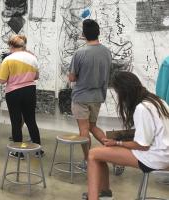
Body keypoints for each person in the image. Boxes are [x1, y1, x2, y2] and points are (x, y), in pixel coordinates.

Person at [85, 71, 169, 200]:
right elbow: (151, 132)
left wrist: (118, 143)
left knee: (93, 154)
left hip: (154, 158)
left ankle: (94, 197)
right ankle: (104, 192)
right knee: (100, 153)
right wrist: (120, 137)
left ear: (124, 91)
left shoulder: (142, 108)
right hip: (164, 153)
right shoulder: (158, 101)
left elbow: (142, 146)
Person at [68, 19, 112, 169]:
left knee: (84, 129)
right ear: (98, 33)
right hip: (98, 96)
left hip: (81, 97)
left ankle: (88, 161)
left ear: (83, 34)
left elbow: (72, 77)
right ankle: (115, 156)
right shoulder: (106, 52)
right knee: (93, 126)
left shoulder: (80, 52)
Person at [0, 35, 42, 159]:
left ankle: (18, 152)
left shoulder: (8, 60)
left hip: (14, 92)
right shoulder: (32, 57)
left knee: (16, 122)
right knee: (31, 120)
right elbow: (36, 76)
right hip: (30, 91)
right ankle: (38, 150)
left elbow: (1, 80)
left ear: (11, 46)